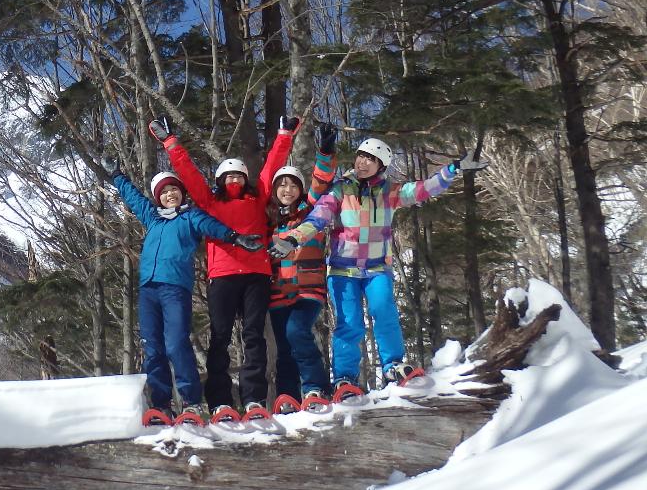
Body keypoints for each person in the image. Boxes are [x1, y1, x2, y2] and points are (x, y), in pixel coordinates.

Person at [270, 138, 488, 396]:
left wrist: (451, 169)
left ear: (380, 166)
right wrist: (294, 238)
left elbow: (423, 189)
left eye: (370, 159)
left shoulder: (390, 192)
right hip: (342, 270)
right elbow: (318, 218)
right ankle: (344, 377)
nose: (362, 162)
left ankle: (392, 364)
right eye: (361, 156)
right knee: (349, 323)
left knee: (384, 312)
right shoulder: (340, 190)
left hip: (376, 269)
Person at [149, 115, 296, 419]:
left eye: (239, 176)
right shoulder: (209, 203)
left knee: (254, 335)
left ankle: (254, 398)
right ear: (219, 181)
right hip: (223, 277)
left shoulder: (257, 200)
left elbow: (271, 167)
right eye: (228, 177)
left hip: (256, 276)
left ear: (245, 180)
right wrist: (170, 142)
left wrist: (283, 134)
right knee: (220, 337)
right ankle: (220, 400)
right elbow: (188, 174)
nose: (234, 181)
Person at [100, 156, 262, 426]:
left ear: (181, 192)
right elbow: (134, 198)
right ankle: (162, 405)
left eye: (173, 188)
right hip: (148, 289)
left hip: (175, 288)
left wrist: (235, 237)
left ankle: (191, 402)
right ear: (158, 197)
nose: (170, 194)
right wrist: (117, 175)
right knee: (153, 349)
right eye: (163, 191)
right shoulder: (152, 219)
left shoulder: (190, 217)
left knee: (176, 344)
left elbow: (212, 225)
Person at [267, 123, 338, 411]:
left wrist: (326, 150)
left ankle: (315, 386)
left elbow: (321, 181)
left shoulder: (310, 210)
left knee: (298, 332)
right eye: (281, 184)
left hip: (307, 288)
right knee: (284, 347)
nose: (287, 189)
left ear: (299, 189)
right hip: (276, 293)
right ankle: (288, 395)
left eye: (292, 184)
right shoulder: (268, 221)